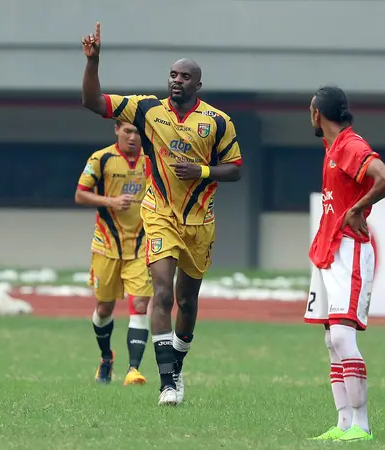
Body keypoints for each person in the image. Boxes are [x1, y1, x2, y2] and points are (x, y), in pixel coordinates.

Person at [80, 23, 243, 406]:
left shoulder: (217, 122)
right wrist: (93, 62)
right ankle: (166, 383)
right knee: (162, 293)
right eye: (172, 74)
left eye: (185, 76)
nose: (177, 81)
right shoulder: (147, 110)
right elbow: (93, 102)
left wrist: (202, 171)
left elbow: (235, 168)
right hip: (159, 214)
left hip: (200, 223)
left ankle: (178, 367)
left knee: (187, 303)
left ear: (197, 85)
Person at [304, 86, 385, 442]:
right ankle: (343, 423)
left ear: (317, 114)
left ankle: (362, 425)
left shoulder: (350, 145)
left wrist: (358, 209)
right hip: (327, 248)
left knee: (343, 337)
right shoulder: (332, 146)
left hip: (350, 249)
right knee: (331, 339)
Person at [75, 119, 153, 386]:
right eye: (128, 131)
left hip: (141, 244)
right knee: (104, 308)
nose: (133, 137)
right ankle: (107, 357)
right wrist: (111, 201)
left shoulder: (151, 161)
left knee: (140, 304)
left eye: (138, 133)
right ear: (117, 129)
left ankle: (134, 370)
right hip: (106, 245)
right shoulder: (101, 158)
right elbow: (80, 194)